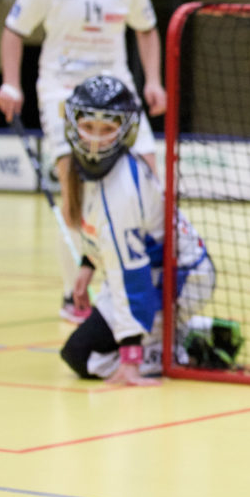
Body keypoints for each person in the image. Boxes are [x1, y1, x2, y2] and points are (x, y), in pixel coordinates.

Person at [0, 0, 166, 324]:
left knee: (148, 173)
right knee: (74, 183)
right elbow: (14, 30)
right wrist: (10, 81)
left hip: (117, 92)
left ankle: (136, 277)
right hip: (63, 91)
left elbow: (146, 31)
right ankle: (75, 292)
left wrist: (152, 80)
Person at [57, 75, 216, 386]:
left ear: (125, 131)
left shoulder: (123, 190)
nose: (94, 140)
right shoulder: (80, 171)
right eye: (88, 127)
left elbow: (133, 275)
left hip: (179, 276)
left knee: (82, 355)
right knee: (78, 353)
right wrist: (87, 266)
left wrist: (130, 359)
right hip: (146, 272)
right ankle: (170, 334)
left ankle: (187, 346)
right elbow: (100, 232)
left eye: (107, 130)